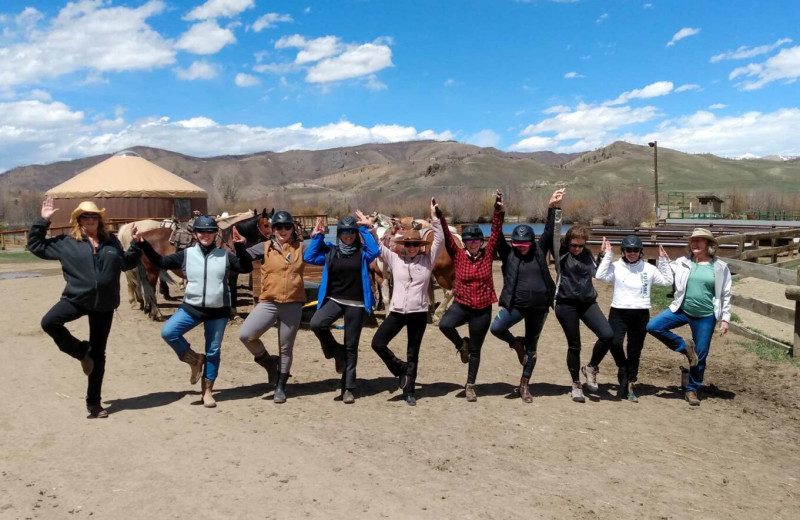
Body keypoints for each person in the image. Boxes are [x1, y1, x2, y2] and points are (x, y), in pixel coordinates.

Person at [29, 197, 141, 418]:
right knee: (49, 322)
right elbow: (36, 246)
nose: (89, 219)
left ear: (99, 220)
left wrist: (136, 245)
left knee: (99, 355)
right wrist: (43, 221)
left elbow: (126, 263)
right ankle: (81, 350)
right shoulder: (66, 242)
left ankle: (94, 403)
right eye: (85, 216)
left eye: (93, 216)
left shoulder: (112, 242)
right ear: (78, 220)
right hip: (77, 298)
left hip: (104, 304)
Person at [132, 215, 252, 408]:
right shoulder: (186, 255)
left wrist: (240, 247)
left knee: (213, 351)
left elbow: (245, 267)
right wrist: (143, 244)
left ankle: (207, 392)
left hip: (218, 311)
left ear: (215, 234)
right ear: (195, 234)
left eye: (210, 231)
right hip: (192, 308)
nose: (206, 235)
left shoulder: (224, 256)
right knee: (168, 332)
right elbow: (161, 262)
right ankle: (194, 359)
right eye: (202, 231)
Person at [491, 188, 565, 403]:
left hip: (540, 308)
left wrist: (553, 206)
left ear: (532, 243)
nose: (521, 249)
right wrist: (499, 212)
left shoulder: (540, 250)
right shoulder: (509, 253)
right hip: (516, 305)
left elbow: (550, 231)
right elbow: (496, 238)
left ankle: (524, 384)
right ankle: (516, 344)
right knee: (496, 328)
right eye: (518, 245)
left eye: (525, 245)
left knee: (532, 349)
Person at [646, 228, 731, 406]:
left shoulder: (720, 267)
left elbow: (725, 294)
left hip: (706, 315)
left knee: (701, 354)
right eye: (693, 241)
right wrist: (663, 260)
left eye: (700, 240)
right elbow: (668, 276)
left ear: (708, 244)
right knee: (653, 326)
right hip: (682, 309)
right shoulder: (683, 262)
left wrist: (725, 318)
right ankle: (684, 346)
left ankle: (692, 389)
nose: (695, 244)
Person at [371, 198, 443, 406]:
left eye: (414, 244)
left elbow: (440, 241)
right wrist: (370, 228)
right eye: (408, 244)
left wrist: (435, 218)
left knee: (413, 353)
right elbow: (377, 246)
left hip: (418, 313)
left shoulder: (427, 260)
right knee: (378, 343)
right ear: (403, 246)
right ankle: (400, 369)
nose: (411, 248)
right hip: (397, 311)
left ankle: (409, 391)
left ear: (420, 246)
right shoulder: (395, 259)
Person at [303, 213, 380, 404]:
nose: (348, 235)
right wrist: (319, 236)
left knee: (351, 345)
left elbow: (375, 251)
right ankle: (336, 352)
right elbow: (309, 256)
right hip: (335, 299)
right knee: (316, 323)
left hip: (357, 303)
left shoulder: (363, 252)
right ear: (339, 233)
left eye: (351, 231)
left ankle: (348, 388)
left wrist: (364, 228)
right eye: (344, 231)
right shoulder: (331, 250)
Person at [437, 190, 505, 402]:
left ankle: (470, 385)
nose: (473, 243)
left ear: (481, 241)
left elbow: (496, 232)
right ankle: (460, 344)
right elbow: (447, 237)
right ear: (464, 242)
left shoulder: (488, 253)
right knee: (444, 325)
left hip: (482, 309)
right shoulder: (458, 254)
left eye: (476, 240)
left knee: (476, 349)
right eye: (469, 240)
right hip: (463, 304)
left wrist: (498, 210)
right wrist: (438, 215)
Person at [589, 235, 673, 402]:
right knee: (614, 342)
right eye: (628, 250)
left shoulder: (648, 269)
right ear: (623, 251)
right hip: (619, 311)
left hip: (640, 312)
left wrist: (663, 261)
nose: (632, 253)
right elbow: (599, 276)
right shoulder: (616, 267)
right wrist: (607, 255)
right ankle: (623, 369)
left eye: (635, 250)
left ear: (641, 251)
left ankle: (630, 383)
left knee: (635, 350)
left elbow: (667, 281)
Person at [238, 211, 305, 404]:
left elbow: (325, 253)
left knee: (286, 347)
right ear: (273, 230)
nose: (282, 230)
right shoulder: (264, 247)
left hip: (292, 303)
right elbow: (242, 260)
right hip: (268, 302)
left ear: (293, 229)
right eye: (278, 227)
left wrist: (318, 239)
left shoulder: (302, 247)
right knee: (246, 335)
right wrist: (239, 245)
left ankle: (281, 386)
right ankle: (268, 362)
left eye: (287, 227)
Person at [554, 223, 615, 403]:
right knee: (575, 345)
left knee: (608, 334)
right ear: (567, 243)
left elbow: (595, 272)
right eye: (574, 245)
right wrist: (554, 209)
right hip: (566, 305)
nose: (577, 249)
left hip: (588, 302)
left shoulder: (587, 254)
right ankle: (576, 384)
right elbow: (554, 232)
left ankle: (590, 367)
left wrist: (602, 256)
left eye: (581, 245)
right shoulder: (562, 254)